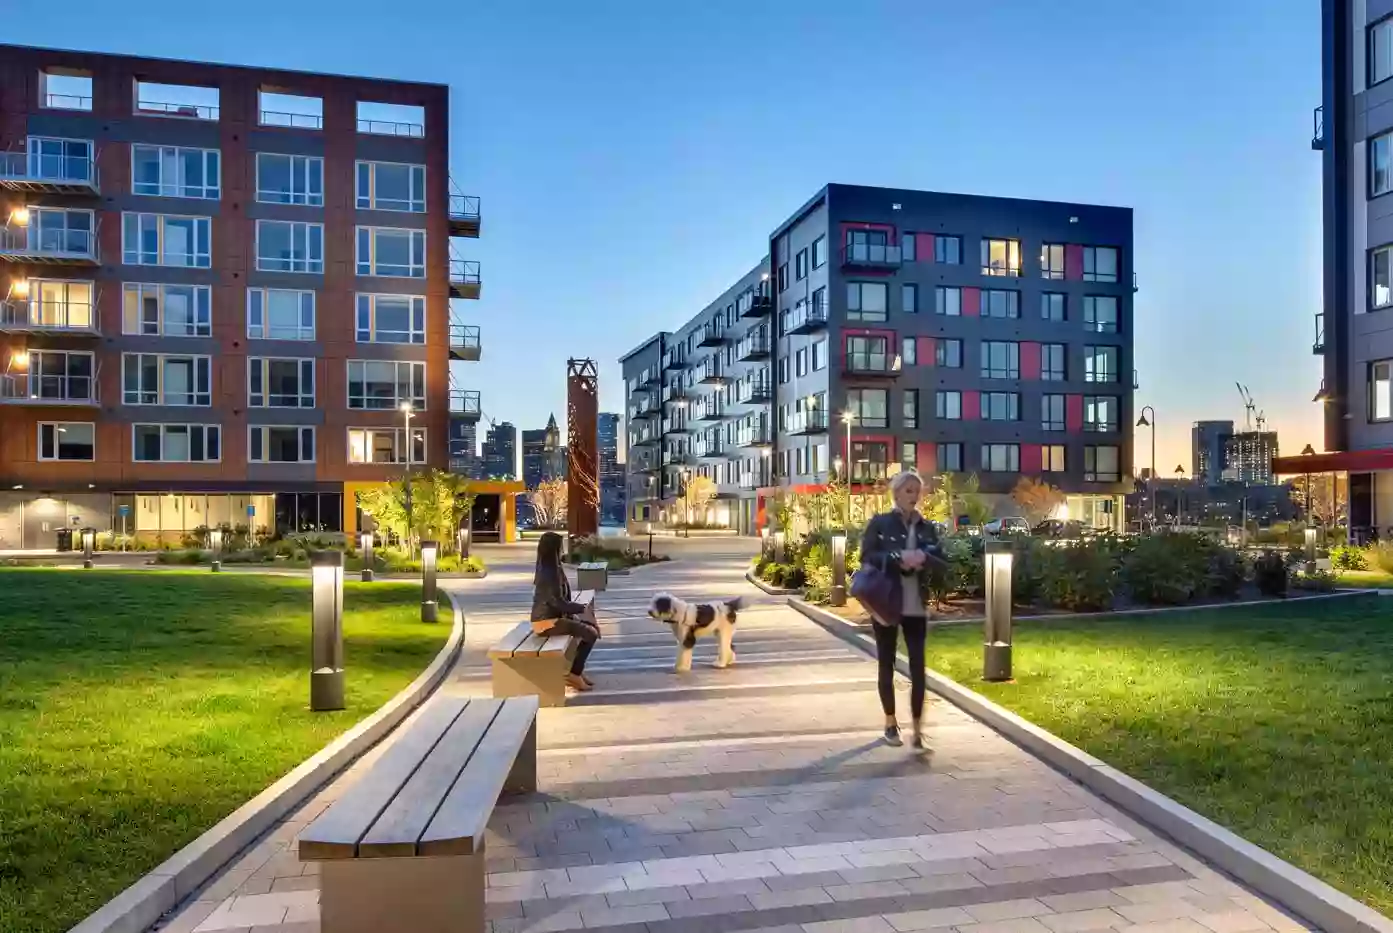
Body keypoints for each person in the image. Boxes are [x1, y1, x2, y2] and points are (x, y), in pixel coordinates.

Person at [859, 469, 942, 749]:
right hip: (886, 602)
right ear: (896, 494)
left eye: (917, 491)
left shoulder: (926, 527)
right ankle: (890, 723)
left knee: (918, 668)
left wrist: (924, 557)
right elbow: (867, 556)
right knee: (887, 663)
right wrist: (897, 558)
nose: (914, 496)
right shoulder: (881, 523)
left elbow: (941, 559)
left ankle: (918, 731)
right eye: (908, 491)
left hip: (915, 605)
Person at [530, 531, 600, 692]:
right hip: (546, 623)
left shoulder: (553, 567)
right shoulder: (549, 572)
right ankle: (574, 674)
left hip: (554, 618)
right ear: (554, 549)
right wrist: (581, 608)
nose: (562, 549)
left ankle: (577, 671)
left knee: (590, 628)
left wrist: (579, 612)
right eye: (560, 547)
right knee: (590, 633)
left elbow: (562, 599)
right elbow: (557, 603)